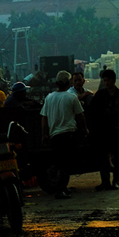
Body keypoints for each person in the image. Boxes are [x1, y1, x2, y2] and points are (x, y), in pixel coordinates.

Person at [40, 70, 89, 200]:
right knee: (65, 164)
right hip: (68, 135)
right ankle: (60, 190)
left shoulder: (49, 97)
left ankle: (63, 188)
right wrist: (84, 129)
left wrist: (44, 134)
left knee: (60, 162)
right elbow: (80, 116)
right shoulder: (71, 97)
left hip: (55, 136)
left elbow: (44, 118)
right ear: (69, 83)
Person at [88, 68, 119, 190]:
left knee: (117, 157)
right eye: (104, 80)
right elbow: (92, 112)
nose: (106, 83)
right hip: (103, 131)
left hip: (117, 131)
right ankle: (105, 181)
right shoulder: (100, 95)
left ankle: (116, 181)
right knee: (103, 157)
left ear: (114, 80)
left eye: (108, 80)